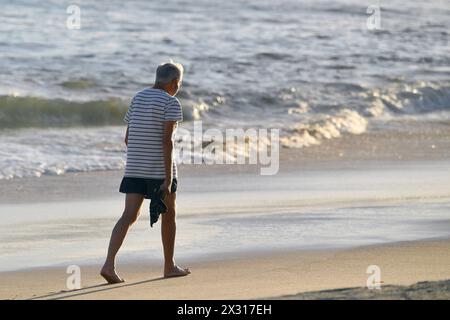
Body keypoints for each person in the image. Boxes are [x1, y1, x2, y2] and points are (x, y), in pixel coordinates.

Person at [100, 62, 191, 284]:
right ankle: (169, 266)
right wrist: (168, 178)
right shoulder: (171, 102)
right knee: (169, 215)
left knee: (128, 216)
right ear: (174, 82)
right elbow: (166, 141)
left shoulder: (138, 97)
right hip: (159, 169)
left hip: (134, 168)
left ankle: (108, 264)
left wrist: (139, 160)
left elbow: (128, 138)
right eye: (178, 84)